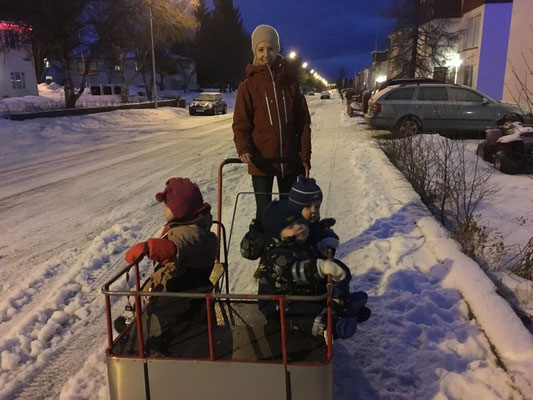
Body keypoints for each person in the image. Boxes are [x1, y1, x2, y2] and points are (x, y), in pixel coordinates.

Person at [241, 200, 358, 348]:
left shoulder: (297, 242)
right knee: (304, 312)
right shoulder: (275, 253)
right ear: (278, 234)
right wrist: (320, 267)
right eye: (290, 227)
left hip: (298, 292)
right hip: (280, 305)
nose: (299, 228)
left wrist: (321, 245)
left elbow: (312, 245)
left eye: (300, 222)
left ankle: (344, 302)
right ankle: (331, 327)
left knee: (338, 268)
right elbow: (292, 271)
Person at [116, 178, 218, 343]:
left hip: (181, 292)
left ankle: (153, 334)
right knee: (155, 284)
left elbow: (175, 247)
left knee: (162, 299)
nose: (164, 209)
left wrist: (148, 248)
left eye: (167, 205)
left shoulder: (192, 233)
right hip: (185, 281)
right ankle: (139, 312)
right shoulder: (189, 225)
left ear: (180, 209)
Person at [233, 24, 312, 220]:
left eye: (270, 49)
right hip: (261, 160)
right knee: (264, 211)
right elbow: (241, 124)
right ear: (255, 51)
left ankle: (288, 248)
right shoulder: (248, 87)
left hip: (289, 159)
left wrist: (305, 155)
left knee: (289, 210)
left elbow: (303, 122)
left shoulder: (290, 83)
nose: (265, 54)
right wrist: (244, 149)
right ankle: (264, 247)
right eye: (261, 50)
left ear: (277, 50)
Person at [288, 175, 371, 322]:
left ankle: (342, 301)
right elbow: (307, 242)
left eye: (317, 206)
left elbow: (314, 233)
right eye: (308, 207)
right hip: (306, 271)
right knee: (339, 271)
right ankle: (340, 305)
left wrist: (321, 228)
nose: (314, 211)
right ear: (295, 207)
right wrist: (322, 235)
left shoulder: (307, 223)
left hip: (312, 264)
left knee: (341, 269)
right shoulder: (296, 228)